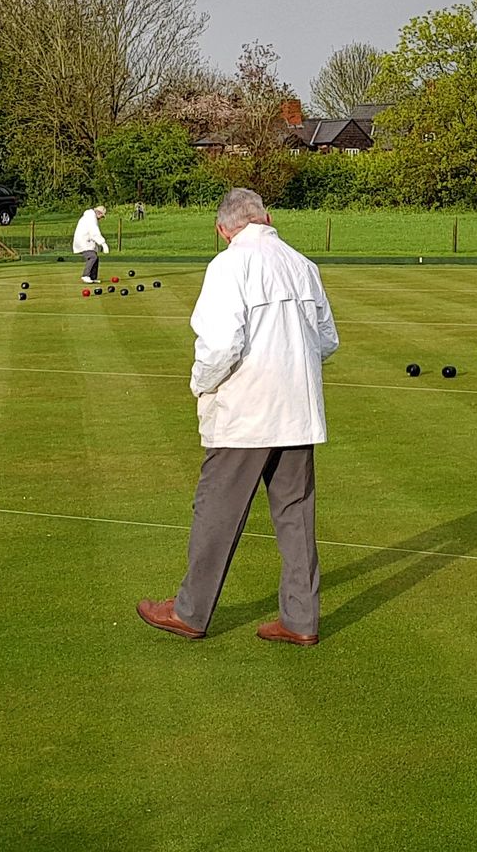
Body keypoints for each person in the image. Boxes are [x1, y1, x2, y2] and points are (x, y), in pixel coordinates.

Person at [137, 188, 336, 646]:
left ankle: (189, 612)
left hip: (245, 413)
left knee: (217, 510)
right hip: (299, 408)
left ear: (223, 230)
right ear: (266, 217)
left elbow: (221, 345)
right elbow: (326, 342)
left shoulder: (228, 265)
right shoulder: (304, 266)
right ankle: (301, 620)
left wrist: (201, 384)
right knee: (295, 515)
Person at [74, 204, 109, 284]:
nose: (101, 218)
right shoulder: (91, 217)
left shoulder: (91, 216)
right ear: (99, 213)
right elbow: (94, 232)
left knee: (95, 257)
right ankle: (85, 275)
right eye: (102, 216)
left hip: (87, 240)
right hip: (83, 241)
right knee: (93, 257)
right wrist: (103, 243)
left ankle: (93, 277)